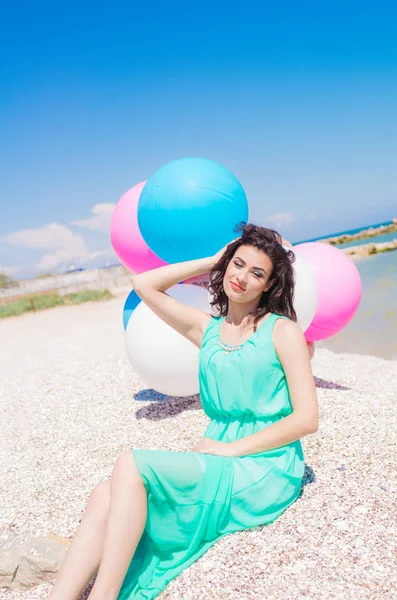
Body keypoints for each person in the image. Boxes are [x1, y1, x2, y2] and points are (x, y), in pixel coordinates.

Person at [49, 223, 319, 600]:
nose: (241, 277)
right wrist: (213, 259)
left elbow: (307, 419)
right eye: (236, 265)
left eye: (256, 272)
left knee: (130, 463)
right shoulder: (206, 329)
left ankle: (104, 596)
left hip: (265, 465)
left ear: (269, 285)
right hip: (219, 452)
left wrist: (233, 449)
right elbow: (143, 284)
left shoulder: (281, 331)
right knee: (103, 494)